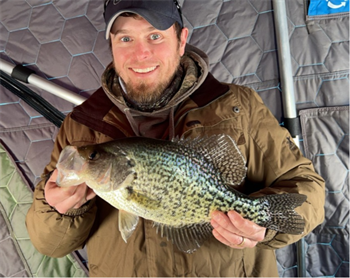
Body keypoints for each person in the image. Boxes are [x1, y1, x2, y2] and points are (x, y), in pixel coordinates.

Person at [26, 0, 325, 276]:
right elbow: (50, 245)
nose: (141, 54)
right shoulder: (80, 127)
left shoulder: (239, 106)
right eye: (125, 38)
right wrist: (58, 209)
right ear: (112, 46)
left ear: (181, 40)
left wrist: (263, 226)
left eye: (155, 36)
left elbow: (309, 191)